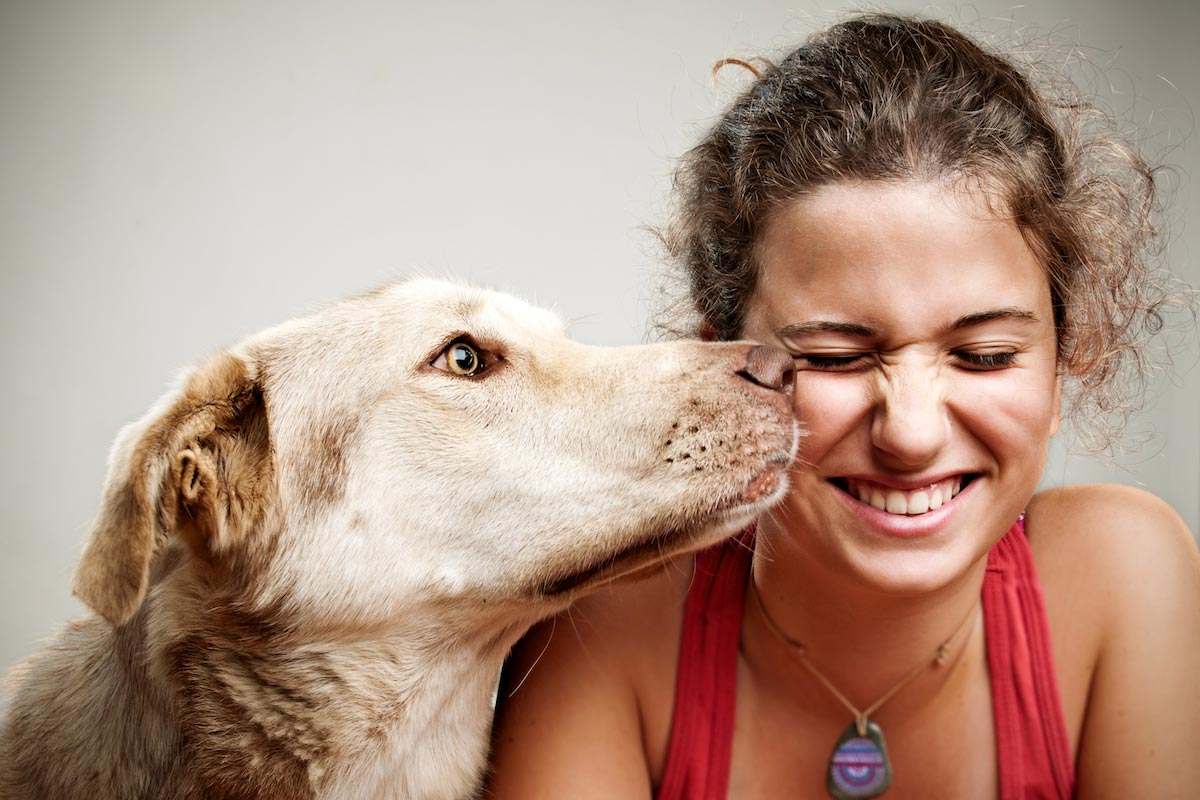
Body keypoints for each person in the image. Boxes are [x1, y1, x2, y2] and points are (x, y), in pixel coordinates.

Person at [486, 13, 1200, 799]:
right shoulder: (605, 626)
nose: (913, 433)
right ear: (726, 374)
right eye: (835, 359)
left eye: (985, 355)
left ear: (1060, 369)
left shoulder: (1126, 574)